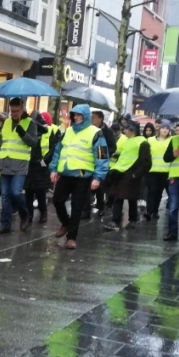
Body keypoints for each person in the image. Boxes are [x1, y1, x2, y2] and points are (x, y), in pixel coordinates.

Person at [49, 104, 109, 250]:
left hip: (83, 176)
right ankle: (66, 222)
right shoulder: (67, 131)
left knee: (77, 208)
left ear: (85, 116)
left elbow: (101, 156)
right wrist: (53, 169)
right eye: (74, 115)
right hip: (65, 173)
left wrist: (98, 177)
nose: (76, 117)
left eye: (79, 115)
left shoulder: (95, 133)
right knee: (57, 200)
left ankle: (71, 237)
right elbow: (58, 150)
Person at [0, 98, 37, 233]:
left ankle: (24, 214)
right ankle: (5, 224)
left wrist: (22, 133)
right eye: (12, 111)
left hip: (20, 164)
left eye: (16, 111)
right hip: (5, 163)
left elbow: (33, 143)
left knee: (16, 193)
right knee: (5, 195)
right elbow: (0, 143)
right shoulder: (6, 123)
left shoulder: (30, 123)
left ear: (22, 108)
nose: (14, 114)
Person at [104, 122, 151, 231]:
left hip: (132, 174)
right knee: (118, 197)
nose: (124, 131)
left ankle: (130, 220)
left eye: (125, 129)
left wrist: (136, 175)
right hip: (121, 173)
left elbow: (146, 163)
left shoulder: (143, 143)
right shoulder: (127, 141)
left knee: (131, 199)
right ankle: (118, 221)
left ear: (133, 130)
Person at [25, 111, 59, 224]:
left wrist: (44, 162)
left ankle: (43, 212)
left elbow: (53, 148)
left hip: (41, 165)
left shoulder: (49, 131)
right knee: (28, 191)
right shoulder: (29, 130)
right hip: (29, 164)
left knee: (40, 191)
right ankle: (29, 214)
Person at [87, 110, 117, 218]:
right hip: (89, 162)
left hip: (101, 163)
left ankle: (101, 206)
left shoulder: (107, 132)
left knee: (99, 186)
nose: (92, 119)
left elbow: (113, 147)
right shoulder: (89, 130)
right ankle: (86, 209)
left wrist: (102, 154)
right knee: (86, 185)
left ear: (100, 119)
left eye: (94, 117)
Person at [145, 120, 172, 221]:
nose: (165, 130)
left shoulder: (172, 140)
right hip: (152, 170)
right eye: (163, 128)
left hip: (165, 171)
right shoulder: (150, 140)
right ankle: (149, 211)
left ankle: (155, 211)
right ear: (159, 129)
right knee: (151, 191)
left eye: (167, 128)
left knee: (159, 193)